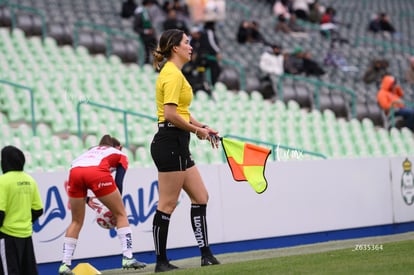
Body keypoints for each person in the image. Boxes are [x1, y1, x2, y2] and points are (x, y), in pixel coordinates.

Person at [150, 29, 221, 272]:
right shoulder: (171, 74)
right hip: (170, 142)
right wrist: (195, 131)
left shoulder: (175, 73)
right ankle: (161, 262)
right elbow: (170, 114)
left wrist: (203, 126)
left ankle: (206, 255)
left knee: (201, 197)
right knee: (167, 204)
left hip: (178, 143)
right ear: (175, 48)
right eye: (187, 43)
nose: (191, 47)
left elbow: (179, 110)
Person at [58, 135, 146, 275]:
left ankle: (64, 264)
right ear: (119, 147)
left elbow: (81, 176)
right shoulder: (120, 154)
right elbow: (119, 183)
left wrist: (88, 201)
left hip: (74, 171)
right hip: (96, 172)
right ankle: (128, 257)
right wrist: (113, 208)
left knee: (76, 221)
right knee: (121, 214)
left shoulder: (88, 152)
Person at [0, 145, 43, 275]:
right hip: (26, 236)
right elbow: (38, 209)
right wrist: (24, 221)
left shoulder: (3, 181)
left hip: (7, 237)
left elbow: (0, 213)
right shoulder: (30, 180)